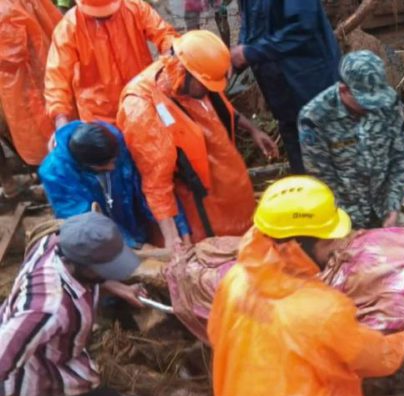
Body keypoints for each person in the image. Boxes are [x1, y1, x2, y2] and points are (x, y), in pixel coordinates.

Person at [209, 176, 404, 396]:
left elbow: (217, 335)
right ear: (297, 246)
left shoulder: (234, 280)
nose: (336, 247)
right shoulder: (324, 309)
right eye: (328, 240)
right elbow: (372, 358)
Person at [117, 30, 276, 253]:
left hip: (232, 189)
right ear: (184, 71)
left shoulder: (197, 81)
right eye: (205, 86)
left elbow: (222, 108)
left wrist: (253, 130)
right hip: (199, 208)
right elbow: (157, 184)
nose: (208, 92)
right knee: (219, 259)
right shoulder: (142, 105)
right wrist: (174, 239)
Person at [0, 212, 146, 396]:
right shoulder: (47, 308)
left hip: (38, 340)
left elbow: (90, 278)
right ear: (85, 268)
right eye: (107, 268)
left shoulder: (54, 241)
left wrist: (118, 287)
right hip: (36, 369)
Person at [299, 50, 404, 229]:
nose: (373, 107)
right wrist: (345, 224)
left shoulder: (388, 102)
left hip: (384, 209)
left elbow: (402, 154)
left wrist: (393, 205)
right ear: (344, 90)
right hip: (342, 217)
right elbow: (322, 179)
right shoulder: (315, 117)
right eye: (366, 102)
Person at [39, 121, 189, 248]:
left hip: (132, 222)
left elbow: (147, 185)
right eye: (106, 165)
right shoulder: (56, 174)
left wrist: (178, 229)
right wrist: (133, 246)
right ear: (86, 165)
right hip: (100, 243)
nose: (112, 167)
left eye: (114, 161)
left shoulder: (114, 140)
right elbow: (88, 223)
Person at [232, 0, 340, 173]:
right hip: (282, 97)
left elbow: (302, 28)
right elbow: (249, 27)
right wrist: (234, 59)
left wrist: (250, 53)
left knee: (330, 168)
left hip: (312, 89)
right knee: (302, 173)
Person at [45, 0, 178, 128]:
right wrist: (60, 117)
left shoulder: (135, 8)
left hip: (144, 99)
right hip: (100, 117)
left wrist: (171, 53)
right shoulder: (69, 27)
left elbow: (165, 34)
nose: (103, 18)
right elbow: (56, 77)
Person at [0, 0, 61, 198]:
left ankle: (55, 179)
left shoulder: (7, 13)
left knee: (44, 136)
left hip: (28, 86)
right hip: (41, 74)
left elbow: (12, 56)